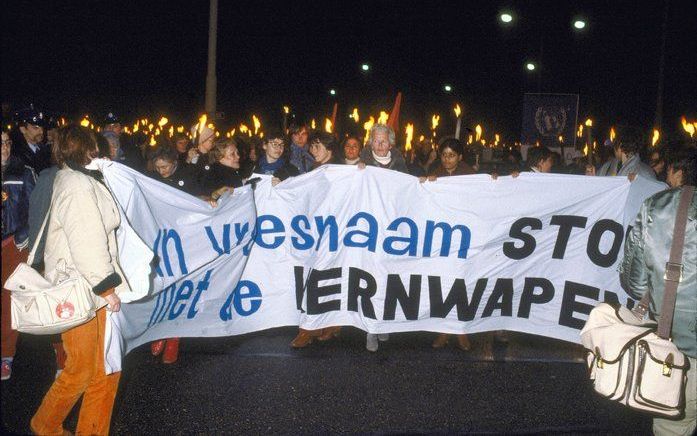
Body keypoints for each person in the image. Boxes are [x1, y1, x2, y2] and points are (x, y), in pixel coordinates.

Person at [30, 125, 127, 436]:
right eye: (96, 148)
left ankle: (87, 430)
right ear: (86, 150)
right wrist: (106, 287)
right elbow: (87, 241)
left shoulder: (77, 180)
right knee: (87, 369)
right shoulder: (78, 185)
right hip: (83, 287)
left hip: (85, 286)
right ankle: (45, 425)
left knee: (102, 369)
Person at [620, 147, 696, 436]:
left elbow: (633, 281)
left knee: (672, 425)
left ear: (678, 172)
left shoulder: (654, 207)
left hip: (675, 351)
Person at [360, 124, 408, 351]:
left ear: (391, 144)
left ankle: (383, 322)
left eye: (383, 141)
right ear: (370, 143)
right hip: (369, 233)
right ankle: (371, 328)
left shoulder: (402, 166)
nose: (379, 145)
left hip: (392, 231)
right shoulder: (361, 165)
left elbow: (411, 192)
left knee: (389, 279)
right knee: (370, 280)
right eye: (375, 141)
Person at [1, 129, 36, 381]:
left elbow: (36, 208)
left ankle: (6, 355)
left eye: (6, 143)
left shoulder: (22, 172)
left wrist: (21, 237)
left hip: (12, 245)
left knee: (7, 302)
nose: (3, 147)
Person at [11, 106, 52, 174]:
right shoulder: (17, 154)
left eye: (42, 127)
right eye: (36, 128)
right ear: (23, 129)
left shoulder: (46, 149)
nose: (41, 132)